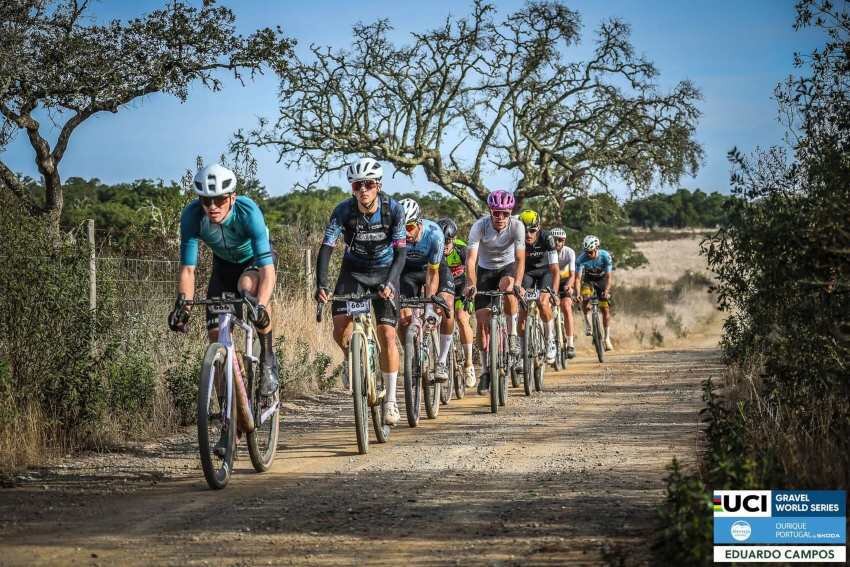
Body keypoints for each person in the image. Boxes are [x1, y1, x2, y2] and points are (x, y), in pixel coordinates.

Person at [168, 163, 279, 397]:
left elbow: (268, 271)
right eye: (205, 200)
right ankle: (228, 410)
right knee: (215, 337)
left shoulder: (248, 212)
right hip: (223, 266)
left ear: (232, 197)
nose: (212, 206)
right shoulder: (192, 216)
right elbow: (188, 269)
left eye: (219, 200)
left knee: (247, 287)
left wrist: (260, 306)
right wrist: (183, 306)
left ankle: (268, 359)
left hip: (255, 261)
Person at [314, 157, 407, 426]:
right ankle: (351, 359)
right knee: (340, 326)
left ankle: (390, 400)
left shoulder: (394, 210)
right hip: (353, 271)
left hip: (385, 271)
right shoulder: (343, 211)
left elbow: (401, 252)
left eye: (367, 184)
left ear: (377, 185)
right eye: (357, 185)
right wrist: (322, 284)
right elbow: (327, 247)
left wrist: (390, 284)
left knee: (388, 334)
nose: (362, 190)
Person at [463, 189, 525, 395]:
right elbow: (471, 260)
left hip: (507, 268)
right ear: (490, 211)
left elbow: (520, 258)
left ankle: (513, 333)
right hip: (484, 270)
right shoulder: (479, 227)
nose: (500, 217)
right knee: (481, 321)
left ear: (510, 213)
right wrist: (471, 283)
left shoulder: (517, 226)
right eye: (496, 213)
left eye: (505, 213)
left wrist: (518, 282)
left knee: (508, 288)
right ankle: (486, 369)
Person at [396, 198, 455, 383]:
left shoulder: (434, 234)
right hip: (408, 272)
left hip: (433, 269)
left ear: (419, 223)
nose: (406, 232)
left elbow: (433, 272)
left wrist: (430, 303)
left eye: (410, 227)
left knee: (444, 307)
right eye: (402, 227)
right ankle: (411, 355)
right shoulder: (394, 235)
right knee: (404, 319)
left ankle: (442, 361)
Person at [438, 218, 477, 389]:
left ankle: (469, 364)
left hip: (461, 286)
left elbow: (471, 271)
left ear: (453, 239)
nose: (445, 245)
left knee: (461, 318)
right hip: (443, 287)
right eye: (442, 241)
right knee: (441, 318)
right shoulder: (434, 250)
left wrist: (471, 289)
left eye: (448, 241)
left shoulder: (461, 249)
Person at [517, 209, 560, 364]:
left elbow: (555, 269)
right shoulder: (516, 238)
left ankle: (550, 341)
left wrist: (554, 293)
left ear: (539, 228)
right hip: (526, 273)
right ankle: (522, 352)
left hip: (544, 272)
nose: (528, 234)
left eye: (532, 231)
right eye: (525, 231)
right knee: (522, 309)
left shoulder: (547, 238)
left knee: (543, 302)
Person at [574, 234, 614, 351]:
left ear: (597, 248)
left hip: (602, 281)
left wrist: (606, 291)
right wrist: (577, 294)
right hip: (588, 280)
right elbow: (577, 279)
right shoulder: (581, 259)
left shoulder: (605, 256)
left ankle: (607, 338)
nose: (588, 254)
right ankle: (587, 324)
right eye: (586, 252)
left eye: (590, 252)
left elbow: (608, 277)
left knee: (605, 309)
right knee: (585, 296)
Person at [551, 227, 577, 358]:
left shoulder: (569, 252)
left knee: (566, 306)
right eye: (554, 240)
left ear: (564, 241)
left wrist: (569, 285)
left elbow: (573, 274)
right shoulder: (547, 252)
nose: (557, 243)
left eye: (560, 240)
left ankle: (570, 344)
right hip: (550, 281)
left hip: (564, 281)